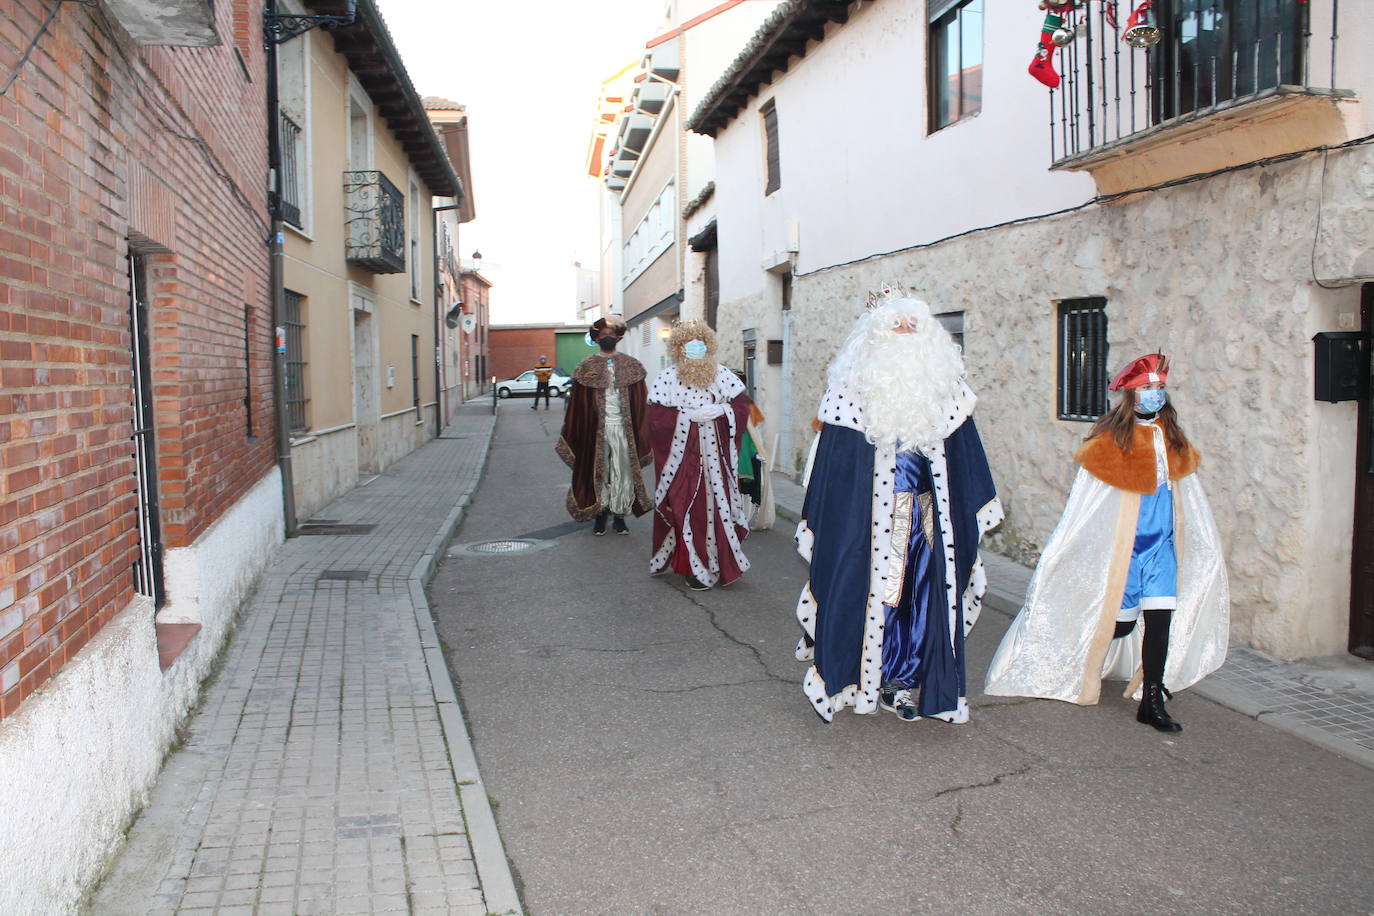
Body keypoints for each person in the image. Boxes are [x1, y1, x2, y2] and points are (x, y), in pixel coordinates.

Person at [983, 353, 1229, 733]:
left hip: (1161, 550)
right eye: (1147, 388)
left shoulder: (1173, 438)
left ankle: (1151, 699)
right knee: (1119, 625)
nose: (1155, 394)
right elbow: (1087, 506)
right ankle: (1072, 656)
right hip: (1123, 554)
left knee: (1161, 619)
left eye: (1159, 387)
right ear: (1132, 393)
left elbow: (1188, 500)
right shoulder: (1111, 441)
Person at [795, 289, 1002, 724]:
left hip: (929, 516)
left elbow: (967, 458)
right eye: (896, 326)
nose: (905, 334)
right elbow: (834, 469)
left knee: (923, 595)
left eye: (913, 326)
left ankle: (904, 680)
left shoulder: (949, 392)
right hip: (866, 523)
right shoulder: (850, 392)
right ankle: (869, 676)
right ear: (875, 336)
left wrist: (970, 514)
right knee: (876, 594)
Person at [647, 321, 752, 590]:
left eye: (700, 341)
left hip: (718, 462)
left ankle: (719, 563)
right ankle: (694, 567)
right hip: (683, 462)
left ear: (708, 344)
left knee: (719, 510)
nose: (696, 346)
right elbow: (656, 422)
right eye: (689, 342)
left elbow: (740, 409)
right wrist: (686, 417)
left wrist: (722, 412)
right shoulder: (666, 379)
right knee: (686, 510)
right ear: (679, 348)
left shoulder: (724, 376)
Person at [557, 315, 652, 535]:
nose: (607, 337)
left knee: (622, 473)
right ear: (597, 338)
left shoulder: (631, 365)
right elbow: (577, 407)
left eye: (611, 334)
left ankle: (619, 517)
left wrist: (645, 429)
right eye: (603, 335)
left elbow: (641, 403)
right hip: (595, 432)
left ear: (617, 337)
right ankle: (600, 516)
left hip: (623, 430)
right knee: (600, 473)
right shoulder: (586, 367)